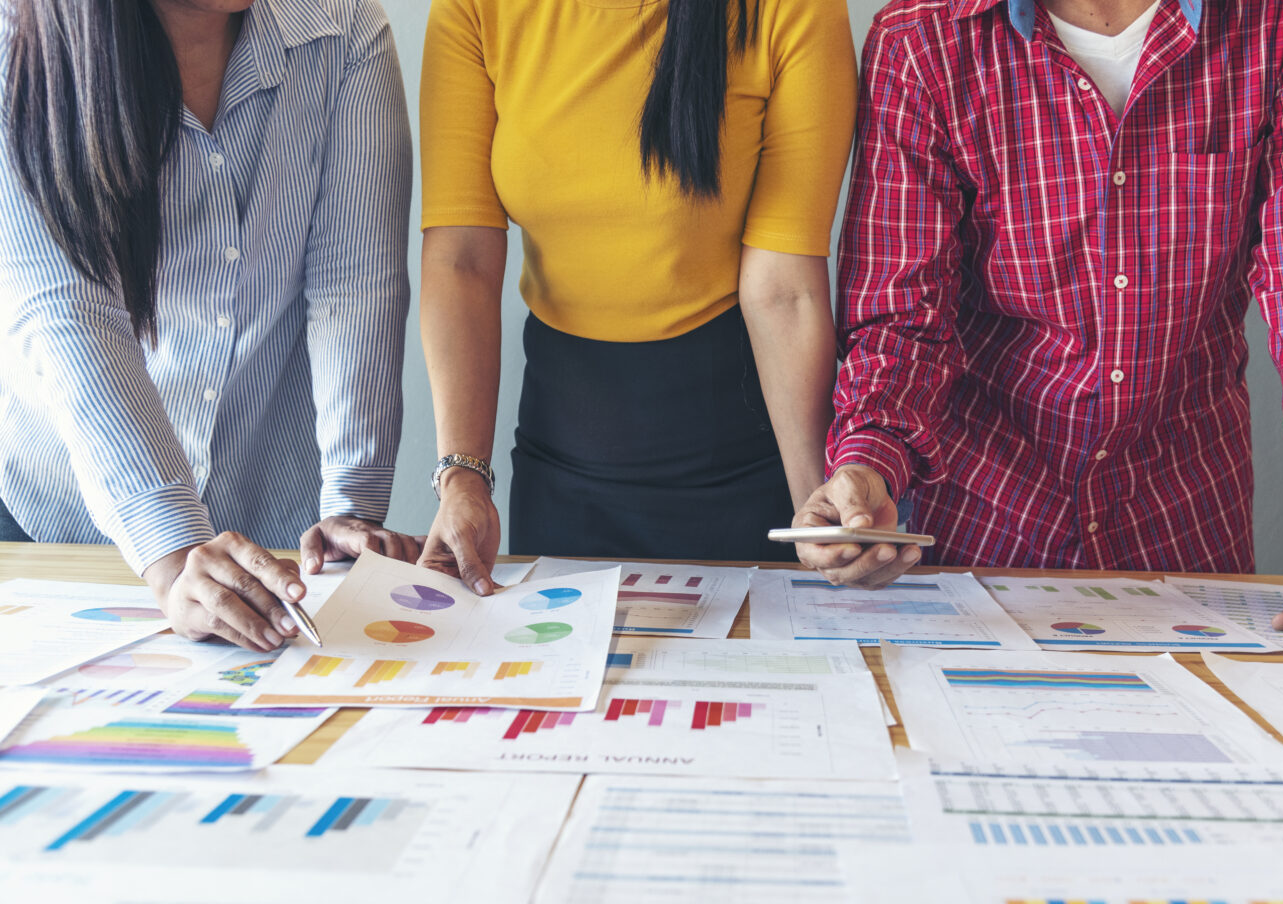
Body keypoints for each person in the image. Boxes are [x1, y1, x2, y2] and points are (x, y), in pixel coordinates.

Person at [793, 0, 1283, 663]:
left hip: (1182, 520)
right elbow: (903, 319)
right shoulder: (923, 36)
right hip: (976, 530)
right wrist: (869, 461)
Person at [0, 0, 417, 651]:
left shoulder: (342, 26)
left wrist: (350, 505)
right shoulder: (18, 46)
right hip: (66, 531)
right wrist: (173, 553)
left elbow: (355, 281)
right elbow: (67, 313)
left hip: (272, 540)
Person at [416, 0, 856, 592]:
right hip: (561, 461)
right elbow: (461, 260)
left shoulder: (793, 10)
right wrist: (462, 478)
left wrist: (816, 510)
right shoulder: (476, 10)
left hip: (744, 464)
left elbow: (784, 288)